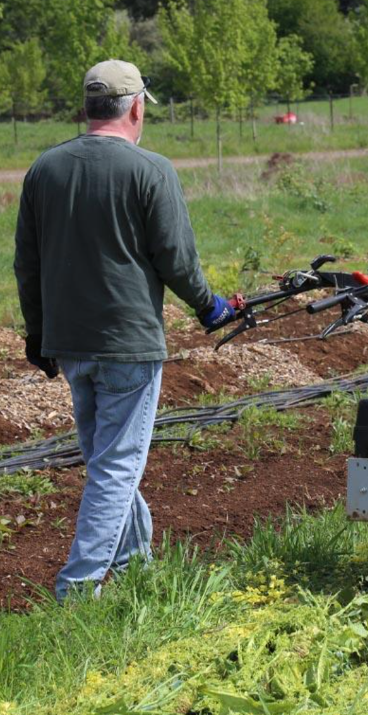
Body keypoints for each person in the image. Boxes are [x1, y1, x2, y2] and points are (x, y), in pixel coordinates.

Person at [13, 59, 236, 602]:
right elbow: (176, 259)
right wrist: (211, 309)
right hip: (128, 344)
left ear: (87, 108)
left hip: (70, 343)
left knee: (108, 460)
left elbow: (27, 263)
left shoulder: (45, 169)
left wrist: (37, 335)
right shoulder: (150, 169)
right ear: (136, 107)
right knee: (116, 466)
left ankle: (137, 566)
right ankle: (77, 590)